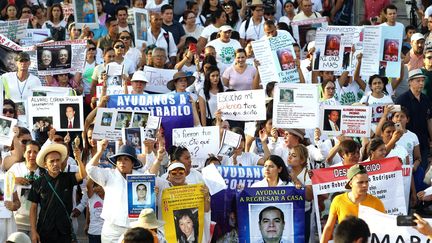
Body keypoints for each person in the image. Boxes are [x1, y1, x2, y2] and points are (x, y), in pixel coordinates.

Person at [28, 143, 86, 243]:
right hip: (44, 232)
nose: (55, 164)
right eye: (52, 161)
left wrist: (79, 160)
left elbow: (82, 175)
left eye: (58, 160)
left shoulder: (68, 178)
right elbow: (33, 208)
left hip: (65, 232)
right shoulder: (38, 183)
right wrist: (33, 231)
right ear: (45, 164)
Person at [320, 164, 385, 243]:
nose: (365, 185)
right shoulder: (338, 200)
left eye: (367, 182)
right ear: (350, 183)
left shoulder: (376, 203)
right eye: (360, 182)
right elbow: (329, 227)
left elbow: (384, 229)